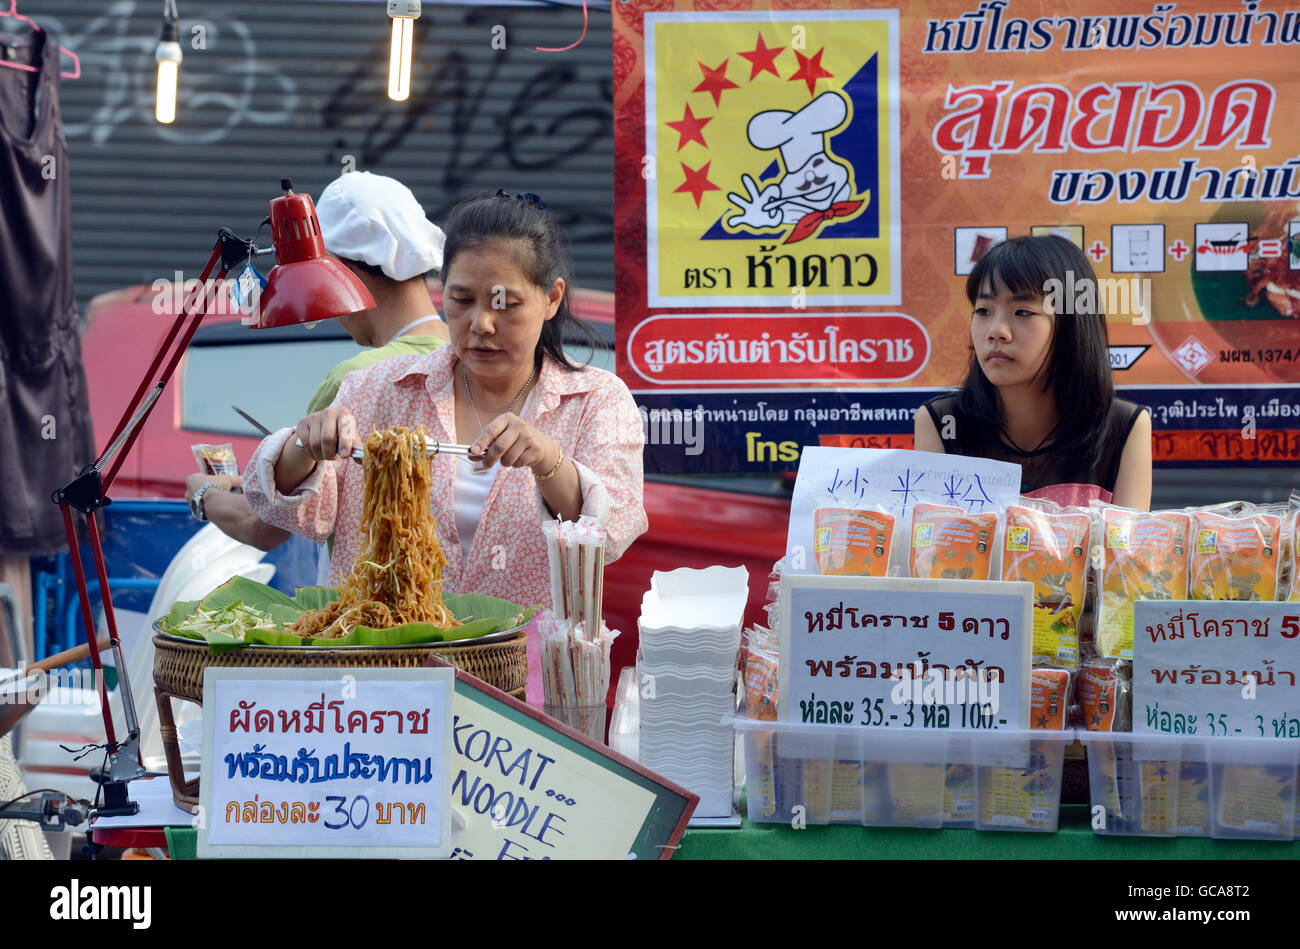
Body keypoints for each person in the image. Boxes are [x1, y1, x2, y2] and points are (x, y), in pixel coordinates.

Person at [242, 191, 648, 697]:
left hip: (527, 686)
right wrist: (305, 446)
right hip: (384, 681)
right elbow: (295, 511)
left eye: (505, 303)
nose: (481, 324)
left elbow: (610, 530)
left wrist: (549, 462)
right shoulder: (379, 388)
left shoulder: (595, 400)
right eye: (461, 301)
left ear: (552, 298)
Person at [184, 172, 449, 549]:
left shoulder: (356, 379)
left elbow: (265, 528)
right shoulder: (473, 360)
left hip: (367, 603)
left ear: (343, 270)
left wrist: (205, 494)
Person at [913, 235, 1152, 510]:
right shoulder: (944, 424)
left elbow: (1128, 552)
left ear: (1071, 324)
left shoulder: (1123, 427)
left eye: (1023, 312)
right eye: (983, 310)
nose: (996, 332)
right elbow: (932, 545)